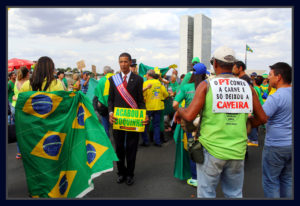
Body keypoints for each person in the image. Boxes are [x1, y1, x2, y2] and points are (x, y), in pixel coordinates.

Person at [175, 46, 267, 198]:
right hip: (238, 150)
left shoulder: (207, 85)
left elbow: (190, 115)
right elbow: (263, 118)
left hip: (211, 149)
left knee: (207, 194)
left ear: (215, 64)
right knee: (234, 194)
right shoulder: (247, 87)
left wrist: (180, 111)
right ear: (233, 65)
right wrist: (248, 123)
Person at [108, 52, 147, 186]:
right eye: (121, 62)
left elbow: (141, 101)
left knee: (131, 148)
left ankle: (130, 174)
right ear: (118, 63)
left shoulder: (138, 79)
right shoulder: (113, 79)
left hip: (133, 120)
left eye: (125, 61)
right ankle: (121, 173)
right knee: (119, 147)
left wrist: (144, 114)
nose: (123, 64)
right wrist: (111, 113)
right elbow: (110, 100)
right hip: (118, 120)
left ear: (130, 63)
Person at [173, 62, 209, 187]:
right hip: (207, 122)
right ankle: (206, 176)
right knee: (207, 149)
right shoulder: (209, 87)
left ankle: (195, 177)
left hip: (190, 122)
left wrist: (181, 112)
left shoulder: (186, 87)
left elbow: (175, 104)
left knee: (193, 148)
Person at [261, 62, 292, 198]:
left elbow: (262, 117)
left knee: (271, 182)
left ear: (278, 77)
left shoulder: (276, 97)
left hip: (275, 146)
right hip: (291, 145)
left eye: (270, 75)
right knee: (288, 180)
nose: (268, 78)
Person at [141, 69, 169, 147]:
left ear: (148, 75)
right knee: (156, 125)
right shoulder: (159, 83)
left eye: (146, 74)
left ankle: (146, 141)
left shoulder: (145, 83)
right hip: (158, 106)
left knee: (144, 124)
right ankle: (157, 141)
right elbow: (166, 94)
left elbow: (141, 95)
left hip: (148, 107)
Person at [12, 67, 30, 159]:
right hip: (24, 109)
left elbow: (15, 96)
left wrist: (15, 98)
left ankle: (19, 152)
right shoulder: (27, 83)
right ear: (26, 74)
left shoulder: (16, 82)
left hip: (15, 108)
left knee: (18, 131)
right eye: (29, 73)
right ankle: (27, 152)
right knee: (27, 131)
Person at [94, 66, 114, 137]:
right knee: (115, 125)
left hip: (104, 106)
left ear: (104, 72)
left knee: (105, 125)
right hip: (115, 106)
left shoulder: (101, 80)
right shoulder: (117, 78)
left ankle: (107, 140)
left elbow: (97, 94)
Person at [247, 75, 264, 146]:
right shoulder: (259, 88)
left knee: (252, 125)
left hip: (254, 110)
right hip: (259, 107)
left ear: (254, 81)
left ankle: (254, 140)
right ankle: (254, 139)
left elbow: (253, 100)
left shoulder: (255, 89)